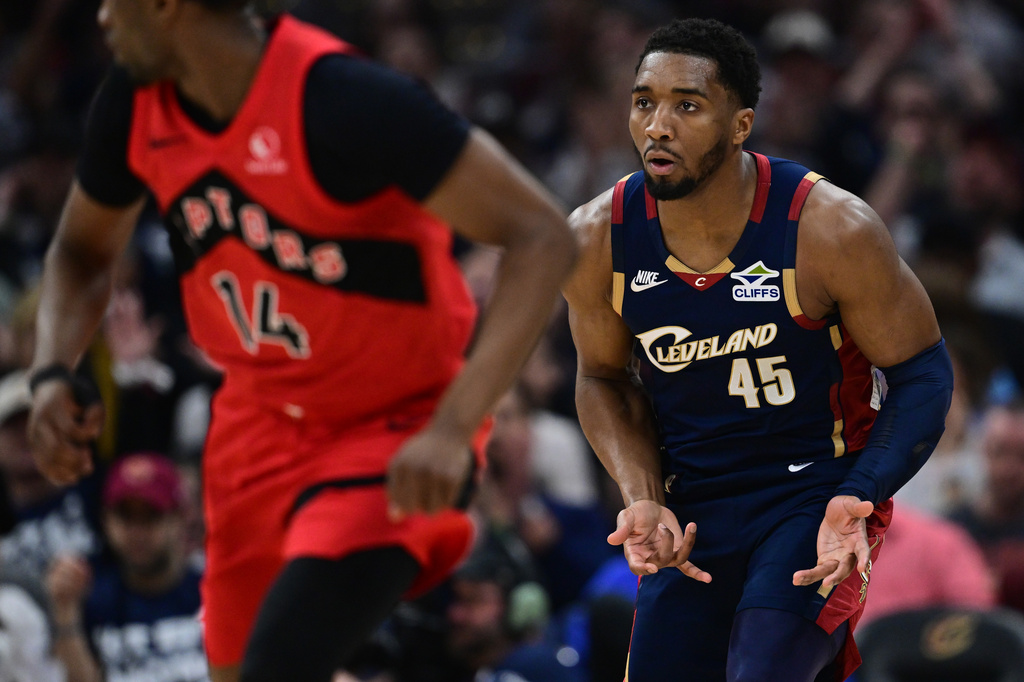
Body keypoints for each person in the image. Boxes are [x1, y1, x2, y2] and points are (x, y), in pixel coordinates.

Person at [25, 3, 576, 682]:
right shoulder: (136, 101)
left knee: (278, 669)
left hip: (391, 429)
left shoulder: (342, 98)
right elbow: (80, 252)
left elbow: (543, 234)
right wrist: (51, 371)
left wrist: (454, 425)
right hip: (253, 423)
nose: (102, 16)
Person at [562, 18, 953, 682]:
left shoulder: (830, 228)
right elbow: (602, 378)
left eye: (687, 105)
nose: (658, 124)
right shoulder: (597, 238)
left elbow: (921, 374)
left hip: (813, 497)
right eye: (643, 101)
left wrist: (860, 495)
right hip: (694, 509)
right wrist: (641, 494)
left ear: (741, 125)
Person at [45, 452, 208, 682]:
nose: (137, 532)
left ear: (180, 519)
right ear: (106, 521)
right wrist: (64, 610)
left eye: (151, 516)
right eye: (125, 516)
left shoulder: (211, 592)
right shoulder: (92, 600)